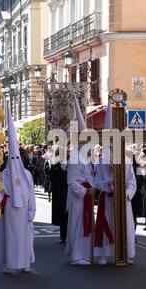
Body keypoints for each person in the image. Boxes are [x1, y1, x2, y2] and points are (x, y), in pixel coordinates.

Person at [93, 102, 137, 265]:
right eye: (110, 145)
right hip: (108, 199)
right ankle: (104, 254)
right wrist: (110, 184)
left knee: (124, 227)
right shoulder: (102, 162)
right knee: (107, 225)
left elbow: (132, 182)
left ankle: (125, 254)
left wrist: (126, 193)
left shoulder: (126, 161)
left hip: (123, 200)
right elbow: (96, 182)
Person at [0, 110, 36, 274]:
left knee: (25, 238)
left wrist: (32, 210)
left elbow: (31, 194)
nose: (14, 162)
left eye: (16, 159)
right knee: (9, 239)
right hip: (10, 211)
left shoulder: (27, 175)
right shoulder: (4, 174)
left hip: (24, 211)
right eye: (11, 159)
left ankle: (25, 262)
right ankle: (8, 264)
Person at [65, 97, 95, 266]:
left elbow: (90, 176)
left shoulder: (86, 157)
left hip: (87, 197)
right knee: (78, 226)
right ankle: (76, 255)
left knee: (86, 226)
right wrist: (85, 191)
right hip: (79, 199)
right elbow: (71, 180)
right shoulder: (76, 157)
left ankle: (85, 253)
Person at [49, 145, 69, 244]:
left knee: (70, 215)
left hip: (70, 193)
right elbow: (51, 177)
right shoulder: (55, 165)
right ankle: (63, 236)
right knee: (63, 216)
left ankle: (70, 235)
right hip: (60, 194)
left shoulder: (71, 163)